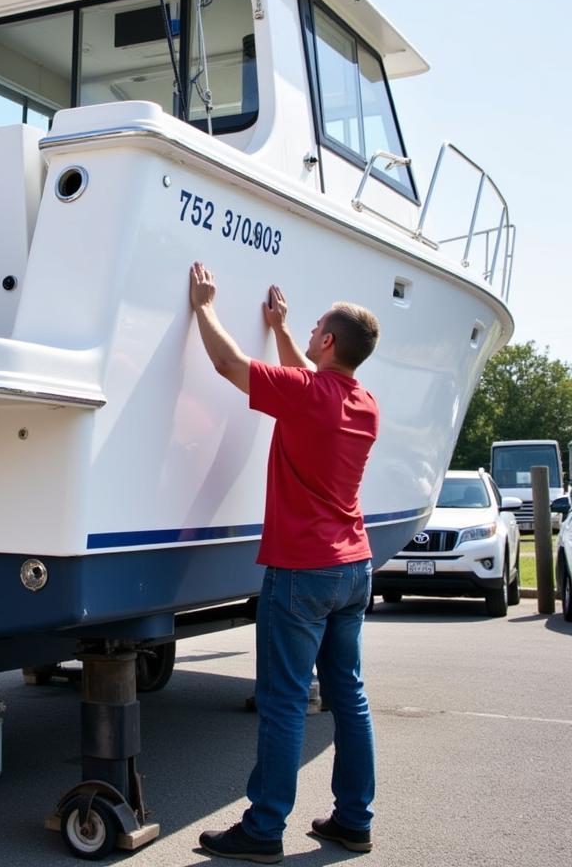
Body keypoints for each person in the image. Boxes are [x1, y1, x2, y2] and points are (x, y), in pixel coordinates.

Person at [188, 263, 380, 864]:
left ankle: (264, 828)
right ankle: (353, 821)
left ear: (328, 342)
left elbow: (226, 364)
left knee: (283, 701)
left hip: (301, 572)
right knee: (349, 697)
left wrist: (204, 306)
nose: (312, 329)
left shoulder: (308, 395)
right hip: (354, 568)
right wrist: (284, 328)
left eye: (317, 325)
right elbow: (307, 377)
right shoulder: (363, 404)